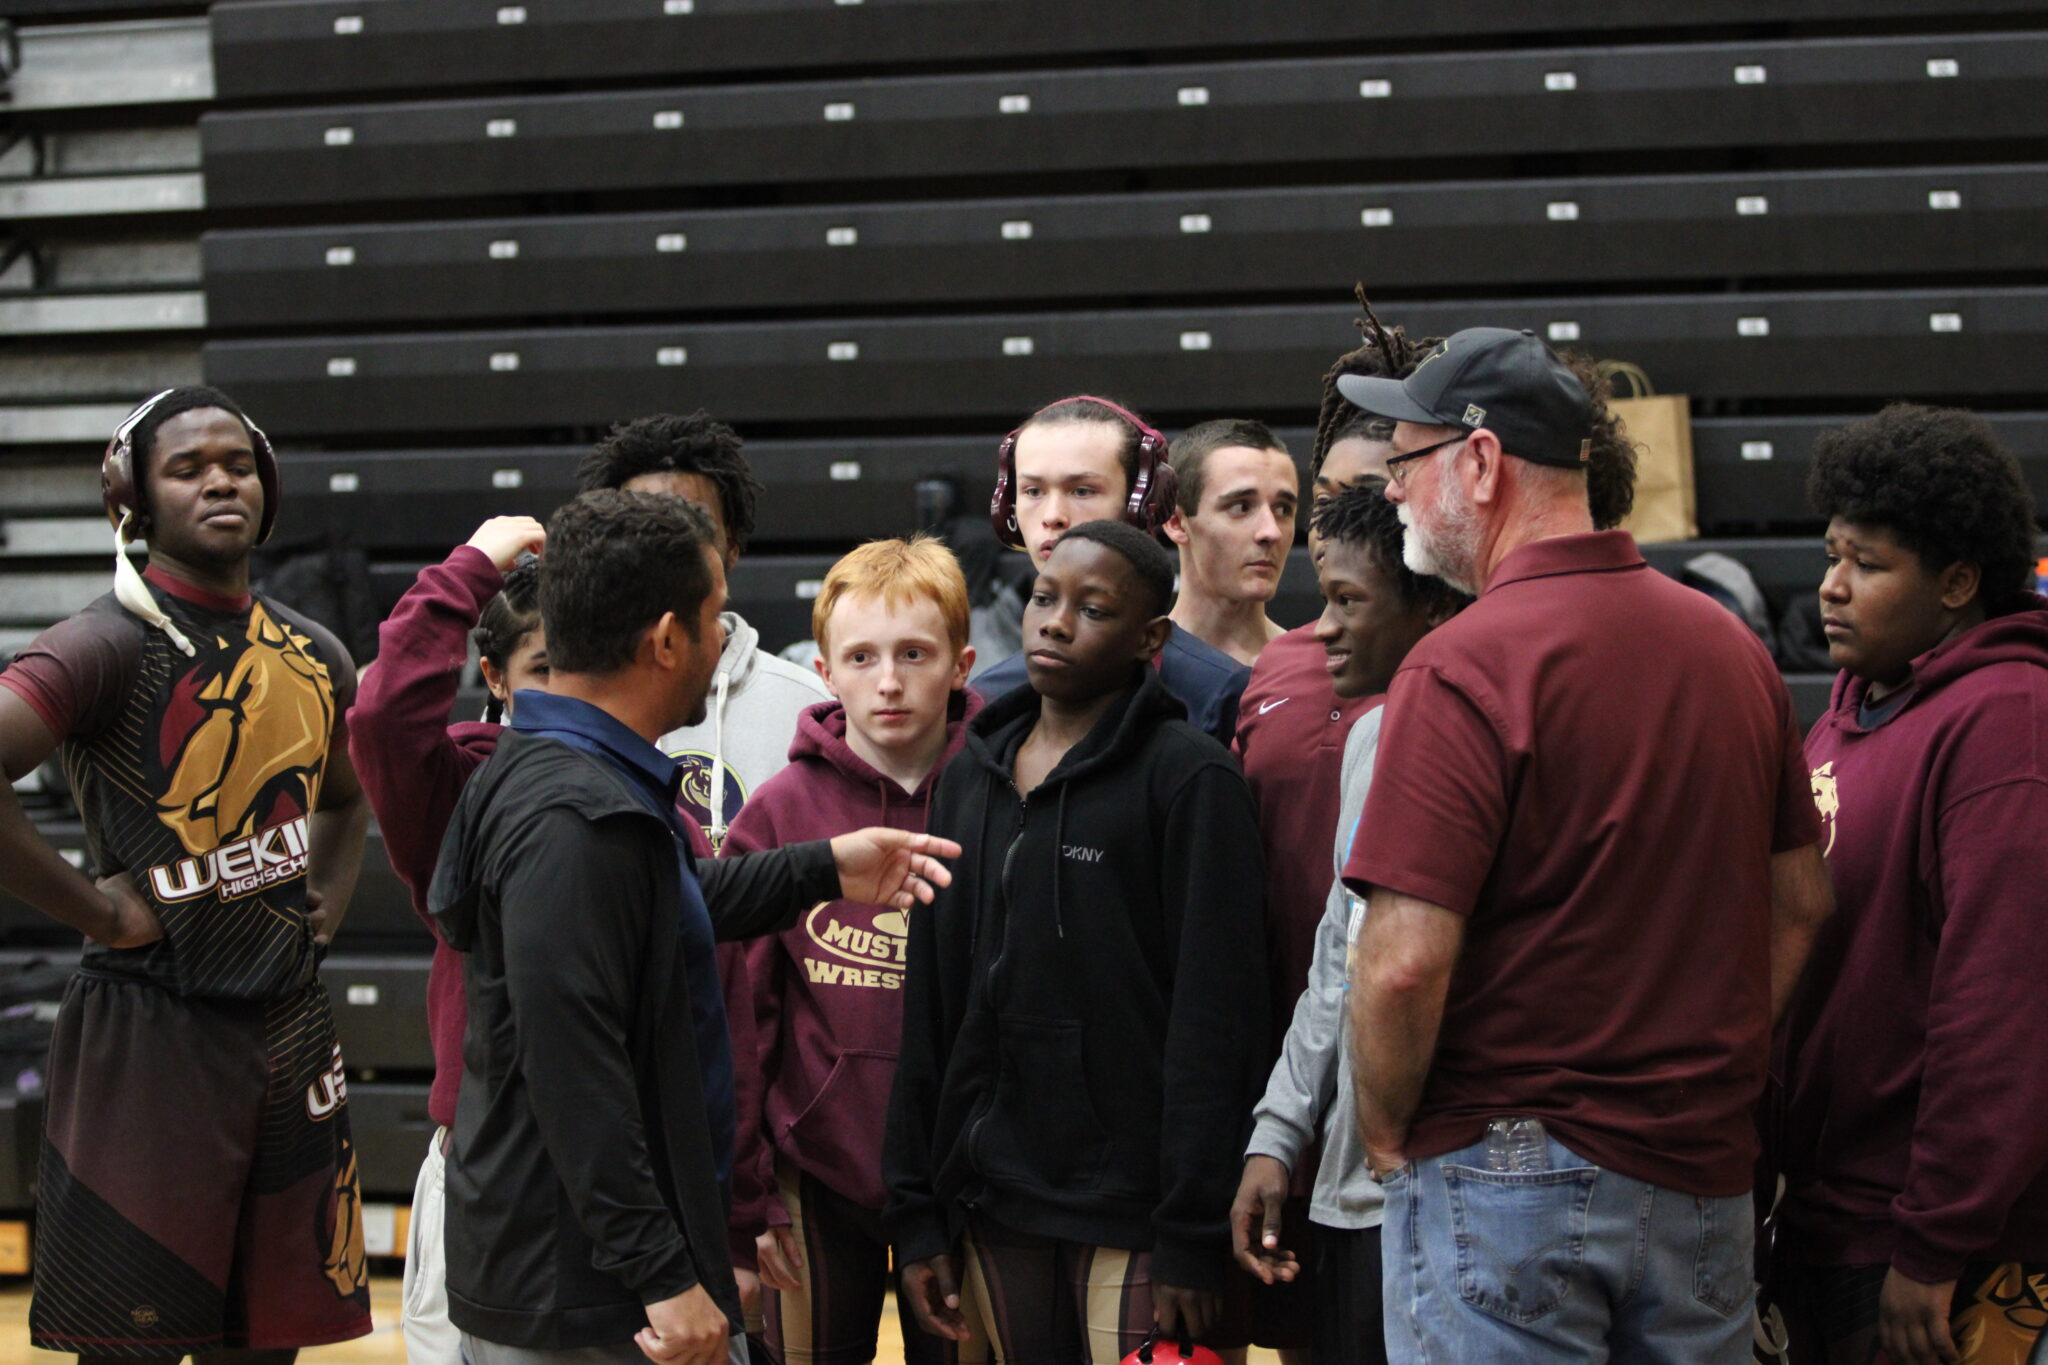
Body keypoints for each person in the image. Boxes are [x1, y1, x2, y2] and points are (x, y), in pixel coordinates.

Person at [349, 517, 957, 1365]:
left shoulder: (574, 771)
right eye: (716, 618)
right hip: (587, 1295)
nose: (722, 642)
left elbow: (658, 908)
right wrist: (665, 1278)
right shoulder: (576, 815)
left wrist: (821, 868)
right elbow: (573, 1072)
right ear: (668, 640)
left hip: (586, 1274)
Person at [1336, 328, 1833, 1364]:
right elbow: (1798, 908)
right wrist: (1702, 1069)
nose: (1390, 493)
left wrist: (1383, 1138)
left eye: (1403, 464)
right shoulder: (1729, 650)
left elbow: (1399, 962)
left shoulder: (1460, 664)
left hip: (1501, 1172)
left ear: (1477, 463)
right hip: (1698, 1171)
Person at [0, 386, 374, 1360]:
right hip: (147, 1033)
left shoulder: (315, 653)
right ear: (135, 496)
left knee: (269, 1340)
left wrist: (321, 913)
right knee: (128, 1347)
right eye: (188, 467)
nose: (220, 482)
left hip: (285, 1027)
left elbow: (343, 797)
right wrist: (96, 911)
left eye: (237, 464)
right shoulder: (100, 642)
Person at [885, 519, 1269, 1365]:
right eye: (1044, 598)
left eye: (1092, 609)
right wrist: (916, 1213)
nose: (1055, 623)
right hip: (993, 1198)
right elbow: (931, 1006)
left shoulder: (1192, 778)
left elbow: (1217, 1022)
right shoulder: (967, 776)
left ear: (1149, 637)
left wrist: (1189, 1232)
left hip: (1136, 1211)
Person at [1771, 404, 2048, 1365]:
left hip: (1933, 1252)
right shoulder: (1850, 710)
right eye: (1832, 554)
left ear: (1959, 583)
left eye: (1870, 564)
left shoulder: (2007, 723)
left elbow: (2002, 1004)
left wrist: (1934, 1241)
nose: (1832, 588)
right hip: (1825, 1216)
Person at [1226, 305, 1432, 1365]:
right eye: (1345, 498)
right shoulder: (1273, 674)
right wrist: (1276, 1123)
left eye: (1390, 495)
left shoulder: (1464, 695)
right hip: (1304, 1107)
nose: (1369, 517)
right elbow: (1323, 947)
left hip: (1428, 1144)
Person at [724, 537, 985, 1365]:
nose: (889, 679)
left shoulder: (1002, 791)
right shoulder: (777, 810)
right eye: (862, 656)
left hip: (966, 1178)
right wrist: (747, 1189)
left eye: (915, 653)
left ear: (961, 663)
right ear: (826, 671)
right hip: (812, 1172)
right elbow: (741, 1016)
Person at [577, 411, 831, 852]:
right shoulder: (559, 702)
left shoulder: (809, 709)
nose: (665, 549)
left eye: (690, 525)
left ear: (730, 547)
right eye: (641, 525)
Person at [971, 396, 1251, 745]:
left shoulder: (1219, 694)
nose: (1053, 514)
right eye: (1033, 491)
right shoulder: (985, 702)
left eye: (1082, 490)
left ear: (1140, 505)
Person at [1162, 419, 1299, 666]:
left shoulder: (1318, 673)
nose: (1271, 532)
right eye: (1241, 507)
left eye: (1283, 509)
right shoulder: (1131, 676)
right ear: (1176, 523)